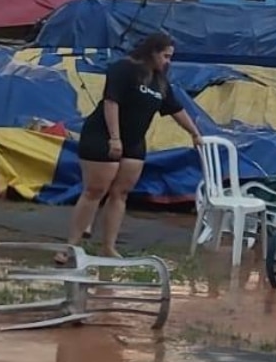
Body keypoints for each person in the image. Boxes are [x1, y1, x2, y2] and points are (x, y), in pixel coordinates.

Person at [56, 32, 201, 264]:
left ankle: (108, 247)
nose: (168, 61)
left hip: (134, 141)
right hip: (103, 135)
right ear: (152, 52)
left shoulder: (159, 82)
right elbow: (111, 101)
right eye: (165, 56)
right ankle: (70, 245)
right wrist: (114, 138)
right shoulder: (124, 69)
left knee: (120, 193)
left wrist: (194, 133)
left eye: (170, 57)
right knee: (95, 190)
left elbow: (175, 109)